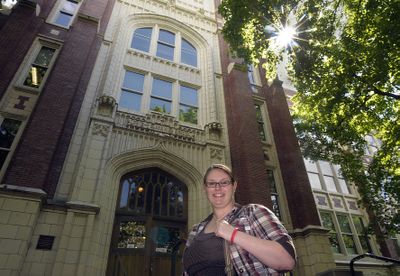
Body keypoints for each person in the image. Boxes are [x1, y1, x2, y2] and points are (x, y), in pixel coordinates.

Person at [182, 164, 296, 275]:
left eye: (224, 182)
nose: (218, 188)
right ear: (205, 189)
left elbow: (287, 261)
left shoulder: (253, 212)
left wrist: (233, 235)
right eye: (211, 183)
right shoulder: (196, 230)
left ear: (234, 186)